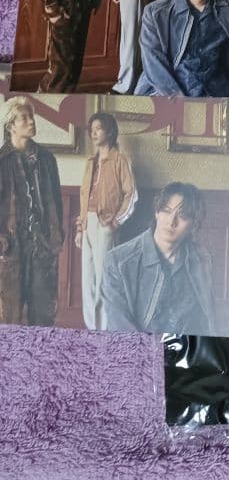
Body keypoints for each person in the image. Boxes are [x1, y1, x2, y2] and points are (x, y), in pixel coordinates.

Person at [100, 182, 214, 334]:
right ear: (156, 213)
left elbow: (207, 320)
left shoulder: (202, 259)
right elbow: (120, 326)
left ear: (193, 223)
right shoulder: (118, 261)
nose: (171, 222)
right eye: (166, 211)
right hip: (144, 345)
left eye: (182, 215)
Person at [0, 98, 65, 326]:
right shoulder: (1, 161)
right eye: (24, 117)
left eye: (32, 116)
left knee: (43, 317)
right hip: (9, 248)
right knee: (10, 317)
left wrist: (56, 237)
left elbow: (56, 202)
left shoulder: (46, 159)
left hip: (42, 248)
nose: (31, 121)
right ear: (11, 125)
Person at [76, 112, 137, 330]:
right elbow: (84, 196)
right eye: (91, 130)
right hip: (88, 224)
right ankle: (91, 328)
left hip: (106, 225)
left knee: (103, 279)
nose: (93, 133)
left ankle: (103, 329)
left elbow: (131, 195)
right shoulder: (90, 162)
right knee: (88, 280)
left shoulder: (121, 160)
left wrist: (116, 222)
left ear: (109, 131)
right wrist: (80, 228)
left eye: (98, 128)